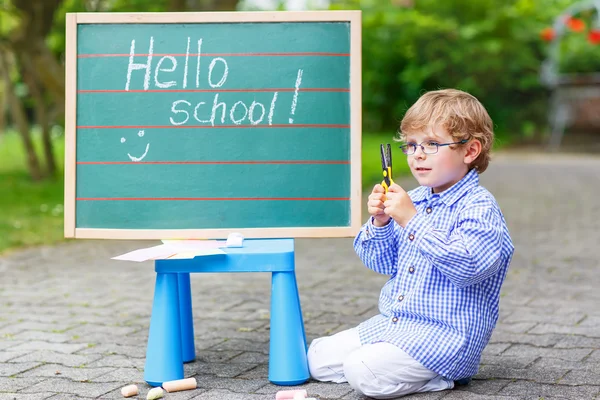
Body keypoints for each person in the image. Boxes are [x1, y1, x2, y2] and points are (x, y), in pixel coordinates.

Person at [307, 89, 514, 399]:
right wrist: (381, 222)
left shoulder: (479, 207)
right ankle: (388, 361)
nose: (417, 154)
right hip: (395, 326)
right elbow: (380, 262)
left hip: (445, 339)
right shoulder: (413, 200)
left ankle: (445, 378)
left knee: (363, 370)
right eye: (412, 145)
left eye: (432, 144)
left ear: (470, 151)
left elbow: (469, 267)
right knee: (316, 359)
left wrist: (411, 221)